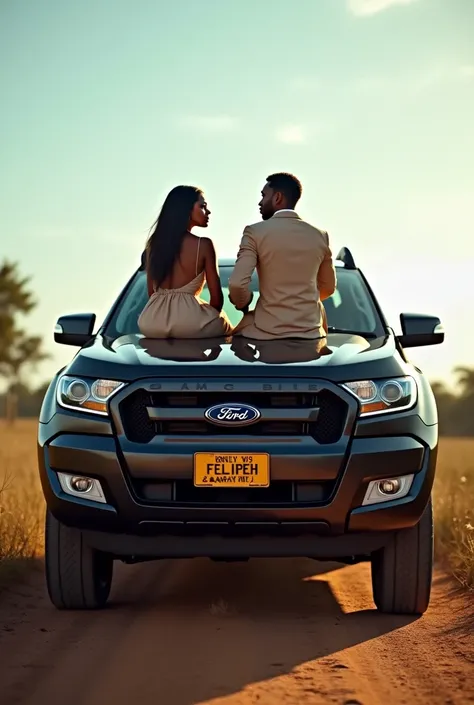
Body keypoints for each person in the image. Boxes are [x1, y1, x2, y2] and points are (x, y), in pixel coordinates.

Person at [228, 172, 336, 340]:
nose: (260, 202)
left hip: (265, 333)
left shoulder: (254, 232)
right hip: (312, 335)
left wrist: (243, 302)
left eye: (264, 196)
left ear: (278, 198)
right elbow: (328, 287)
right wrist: (301, 301)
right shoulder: (320, 235)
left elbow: (236, 284)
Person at [138, 185, 233, 339]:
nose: (208, 212)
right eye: (202, 206)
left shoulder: (153, 245)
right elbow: (216, 300)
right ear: (186, 210)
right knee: (230, 329)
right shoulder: (204, 245)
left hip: (152, 323)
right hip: (192, 324)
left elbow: (152, 293)